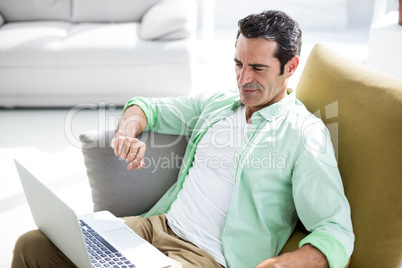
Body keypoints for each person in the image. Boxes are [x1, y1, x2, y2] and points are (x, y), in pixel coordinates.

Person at [12, 10, 354, 268]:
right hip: (154, 227)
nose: (243, 79)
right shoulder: (218, 104)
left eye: (258, 68)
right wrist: (127, 131)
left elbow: (335, 229)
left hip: (207, 257)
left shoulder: (304, 134)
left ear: (290, 67)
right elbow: (146, 107)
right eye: (238, 64)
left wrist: (287, 263)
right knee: (33, 245)